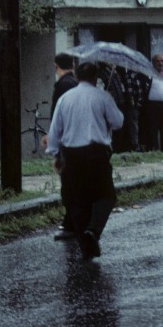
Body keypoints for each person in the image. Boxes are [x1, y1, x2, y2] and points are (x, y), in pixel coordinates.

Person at [46, 61, 124, 260]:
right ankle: (94, 230)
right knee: (106, 195)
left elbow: (56, 130)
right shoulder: (103, 97)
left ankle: (86, 245)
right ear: (95, 77)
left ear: (78, 77)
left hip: (71, 155)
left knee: (78, 200)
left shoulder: (65, 98)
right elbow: (118, 122)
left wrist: (56, 154)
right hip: (97, 153)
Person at [47, 53, 79, 241]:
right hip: (75, 138)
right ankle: (73, 221)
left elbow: (59, 115)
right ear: (73, 65)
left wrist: (54, 138)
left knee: (68, 184)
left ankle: (71, 224)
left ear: (55, 65)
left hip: (66, 140)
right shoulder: (75, 84)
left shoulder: (62, 86)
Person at [141, 53, 163, 156]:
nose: (160, 63)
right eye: (158, 61)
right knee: (153, 132)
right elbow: (145, 91)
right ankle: (154, 154)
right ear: (153, 63)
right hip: (154, 107)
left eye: (162, 61)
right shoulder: (149, 75)